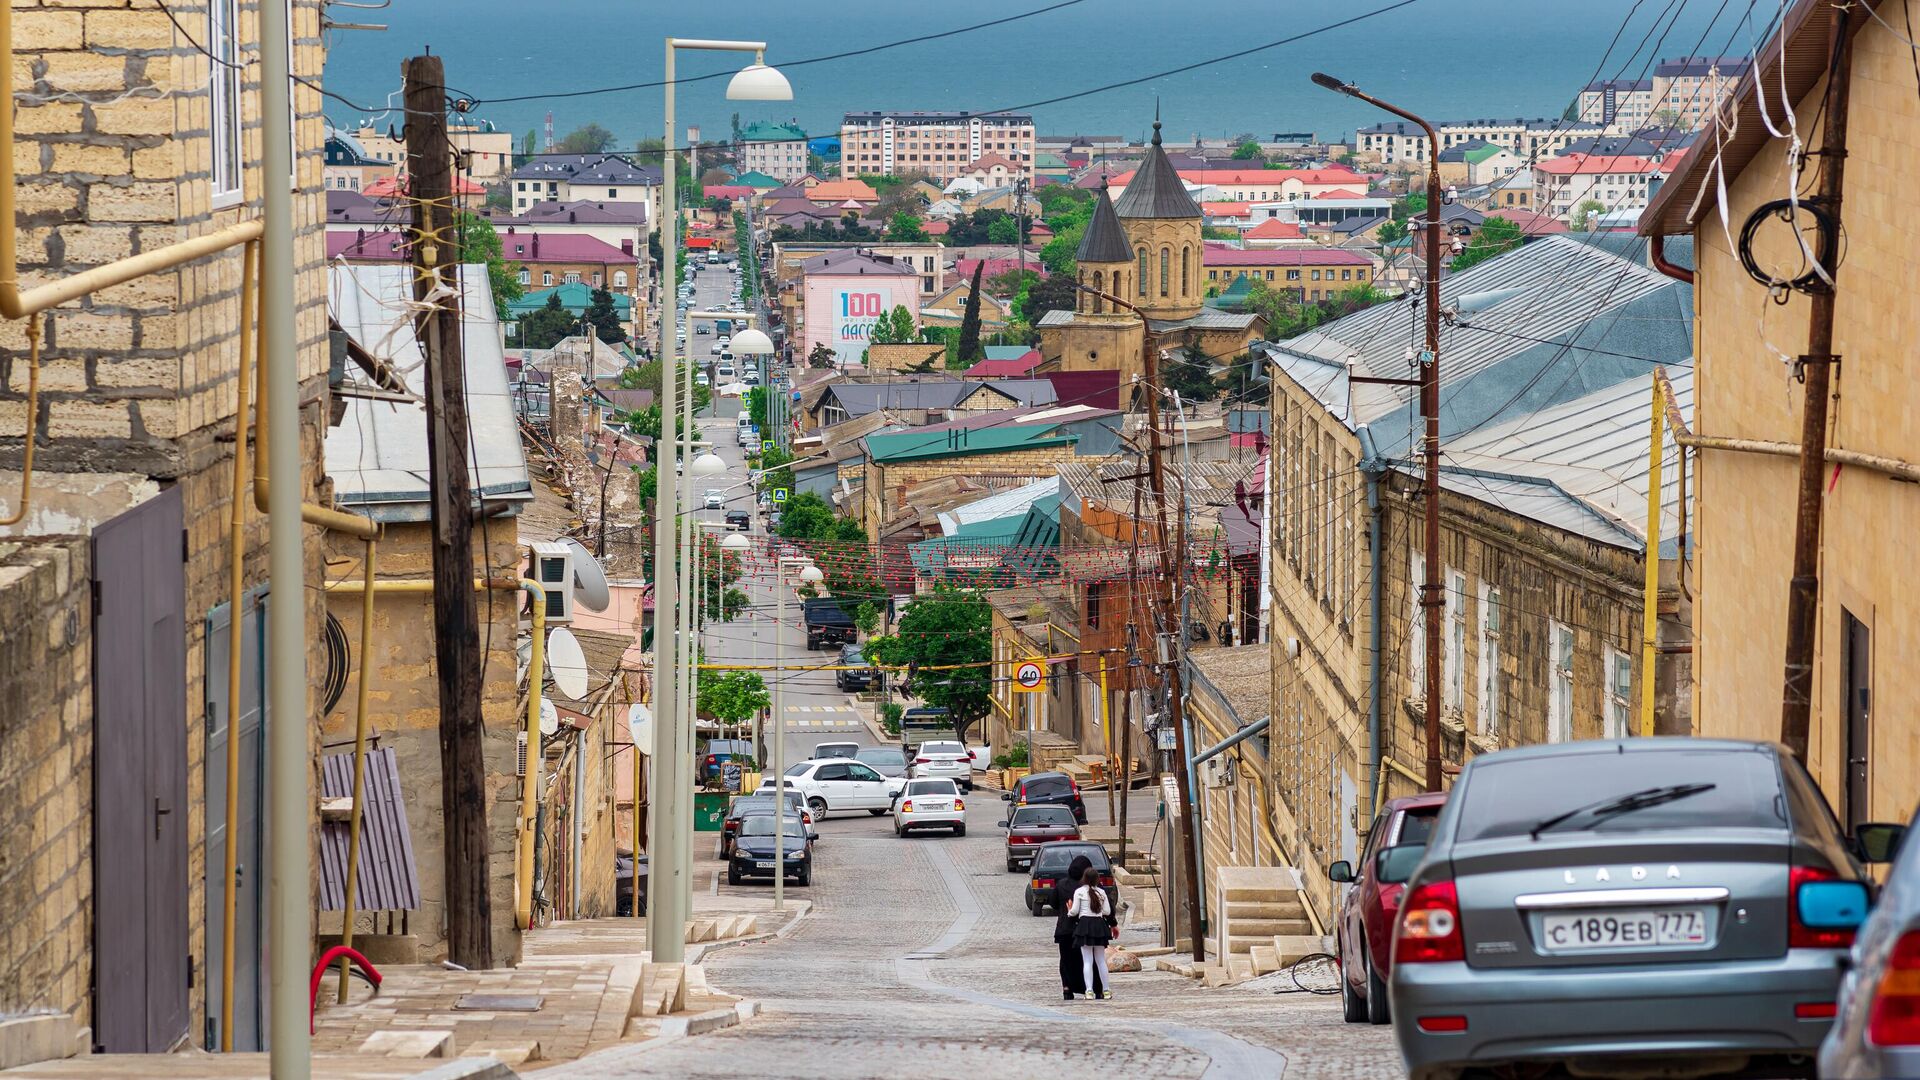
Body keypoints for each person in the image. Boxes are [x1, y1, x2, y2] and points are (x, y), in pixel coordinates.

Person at [1068, 864, 1117, 1000]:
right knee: (1101, 960)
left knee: (1087, 961)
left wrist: (1069, 909)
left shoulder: (1079, 892)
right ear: (1097, 879)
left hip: (1085, 925)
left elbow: (1074, 912)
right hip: (1099, 925)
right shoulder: (1101, 892)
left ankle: (1089, 990)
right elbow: (1107, 911)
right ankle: (1106, 990)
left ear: (1084, 878)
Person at [1053, 855, 1096, 999]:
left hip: (1063, 929)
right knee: (1085, 959)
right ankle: (1089, 987)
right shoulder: (1088, 888)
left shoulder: (1061, 884)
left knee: (1065, 960)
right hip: (1083, 929)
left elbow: (1052, 902)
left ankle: (1067, 988)